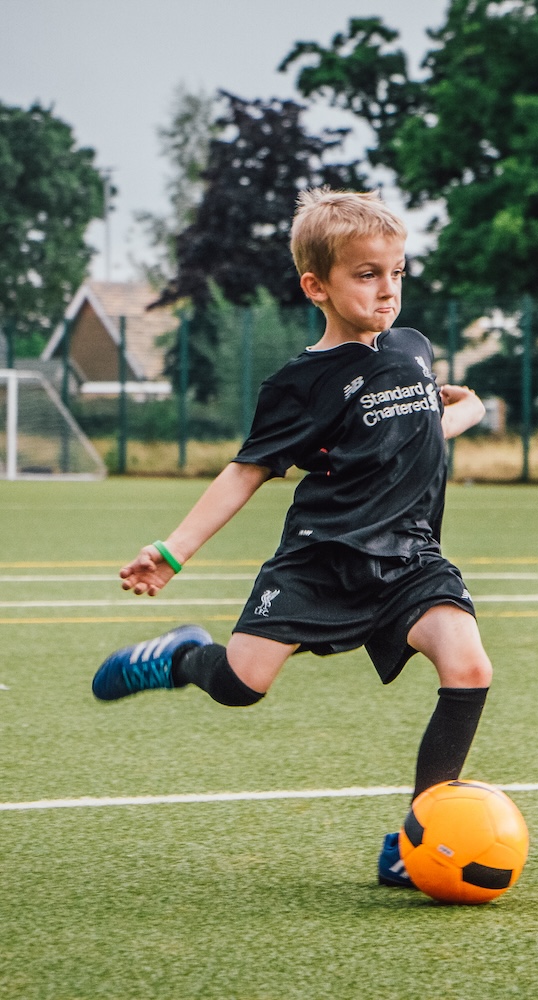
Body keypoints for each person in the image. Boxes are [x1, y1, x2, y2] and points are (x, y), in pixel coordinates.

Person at [91, 188, 491, 889]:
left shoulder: (411, 349)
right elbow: (245, 475)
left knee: (469, 667)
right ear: (317, 286)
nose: (388, 289)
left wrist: (471, 409)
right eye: (367, 274)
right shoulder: (300, 385)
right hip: (322, 559)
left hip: (409, 559)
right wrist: (174, 550)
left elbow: (409, 433)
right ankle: (182, 655)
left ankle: (415, 840)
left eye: (397, 271)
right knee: (242, 685)